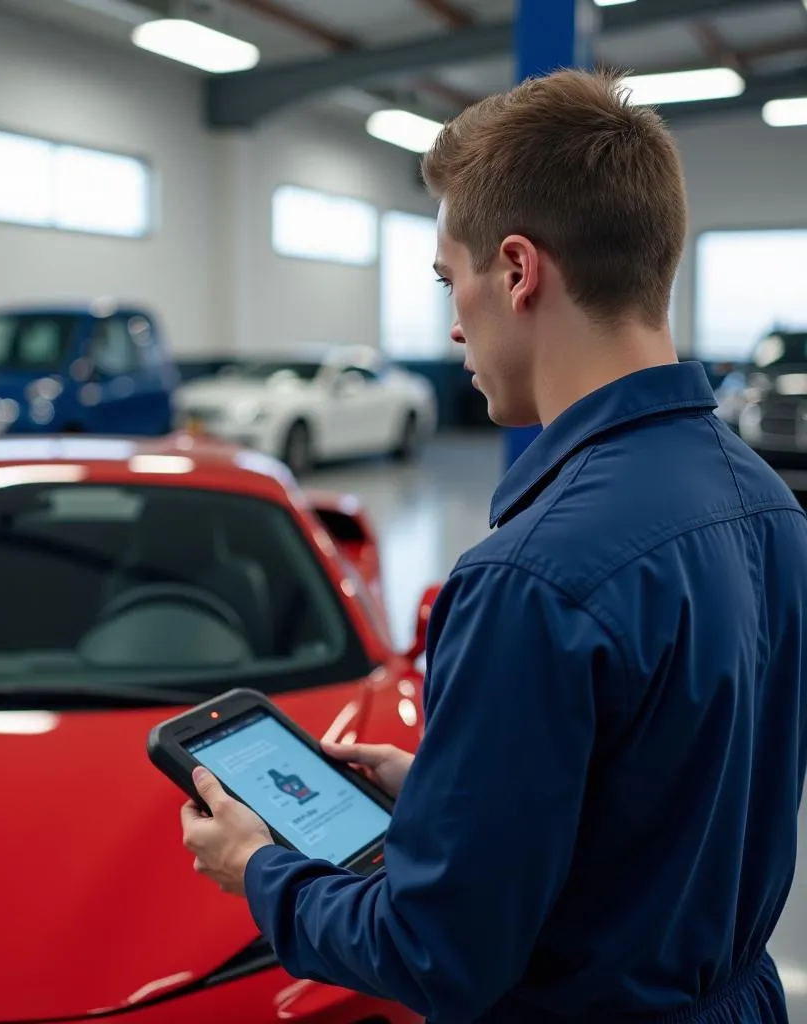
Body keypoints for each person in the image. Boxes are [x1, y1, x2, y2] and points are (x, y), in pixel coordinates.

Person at [179, 68, 807, 1024]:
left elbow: (438, 952)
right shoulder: (767, 504)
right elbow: (666, 798)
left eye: (448, 278)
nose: (450, 322)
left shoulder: (532, 579)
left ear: (516, 270)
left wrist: (263, 872)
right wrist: (445, 789)